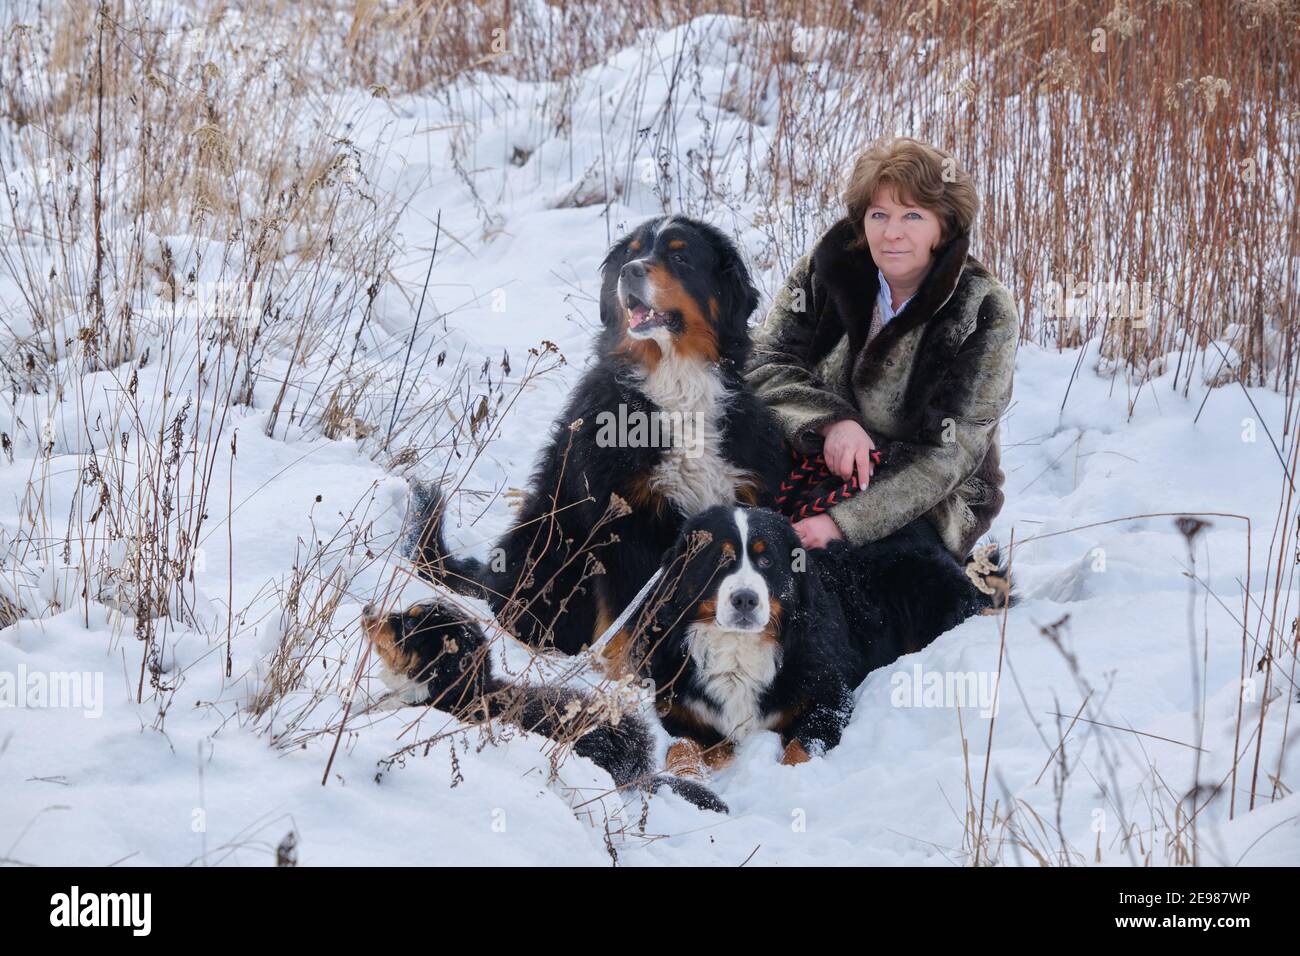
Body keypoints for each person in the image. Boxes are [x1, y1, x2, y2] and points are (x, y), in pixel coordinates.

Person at [745, 137, 1019, 561]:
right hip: (816, 455)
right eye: (879, 214)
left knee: (850, 574)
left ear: (943, 226)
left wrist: (843, 521)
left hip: (926, 488)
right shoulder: (826, 270)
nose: (892, 233)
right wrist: (831, 422)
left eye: (912, 215)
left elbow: (951, 451)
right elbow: (764, 359)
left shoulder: (982, 306)